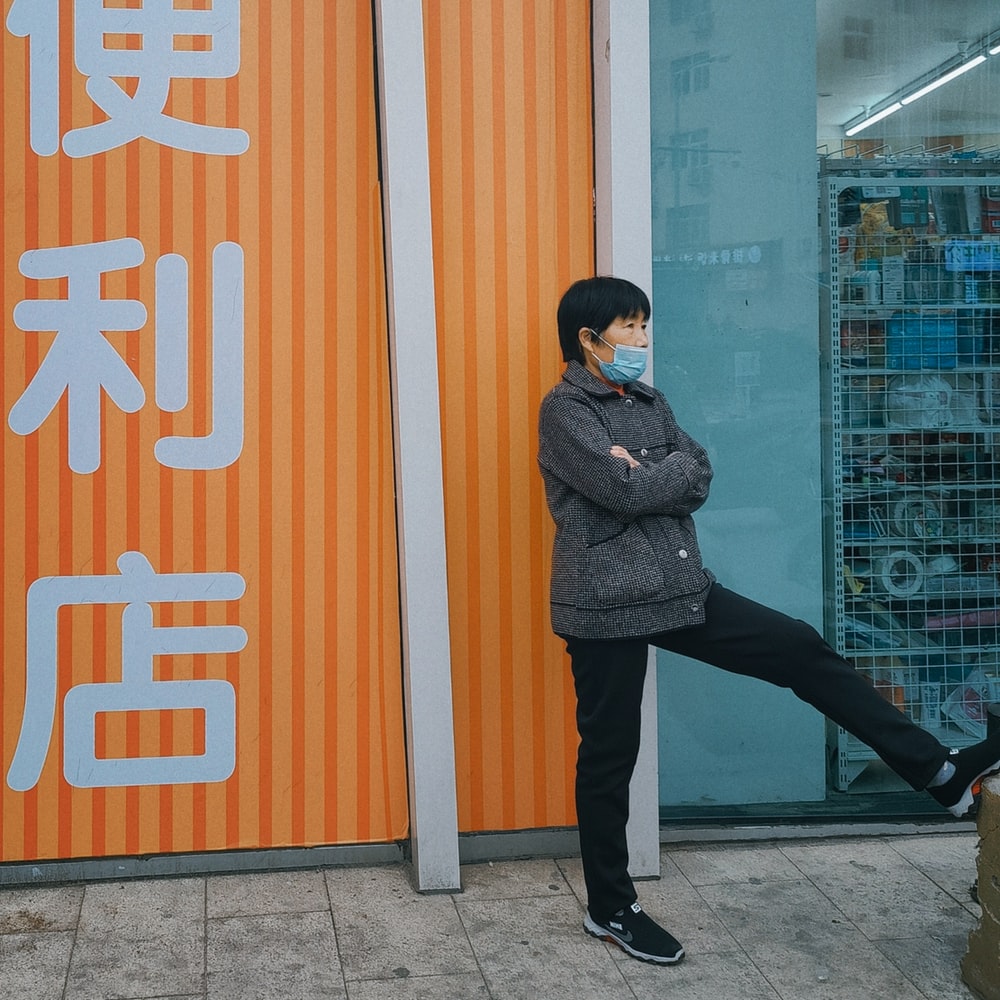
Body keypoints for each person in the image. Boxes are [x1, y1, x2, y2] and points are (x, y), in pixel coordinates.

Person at [536, 275, 1000, 967]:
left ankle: (937, 771)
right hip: (606, 604)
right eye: (631, 327)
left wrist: (655, 468)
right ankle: (610, 908)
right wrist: (652, 473)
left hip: (679, 587)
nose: (642, 340)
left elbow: (699, 469)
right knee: (610, 756)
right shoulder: (566, 410)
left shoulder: (649, 400)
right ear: (589, 336)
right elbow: (623, 490)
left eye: (642, 326)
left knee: (798, 649)